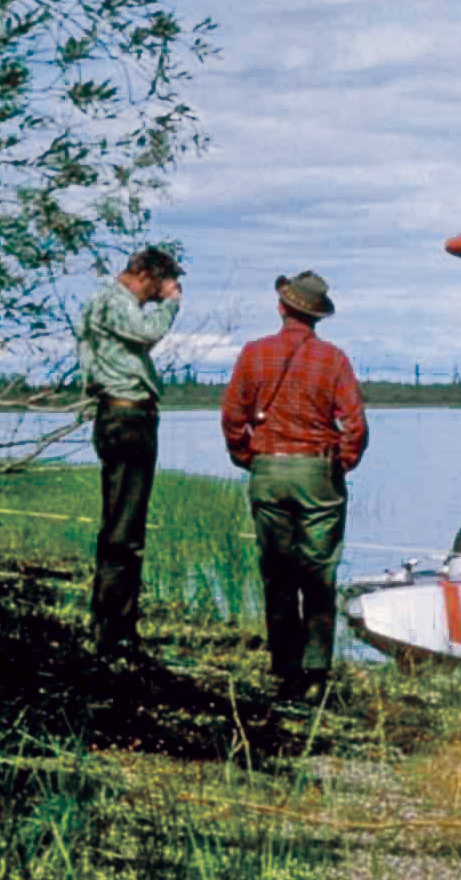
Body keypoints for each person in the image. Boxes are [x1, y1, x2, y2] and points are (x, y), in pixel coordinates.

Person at [220, 271, 369, 695]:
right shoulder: (333, 358)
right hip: (317, 471)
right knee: (319, 574)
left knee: (278, 576)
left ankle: (286, 672)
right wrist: (339, 463)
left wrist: (249, 458)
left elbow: (233, 417)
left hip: (268, 470)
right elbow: (355, 424)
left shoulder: (253, 354)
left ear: (282, 307)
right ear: (317, 315)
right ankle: (317, 672)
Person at [77, 245, 183, 657]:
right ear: (146, 275)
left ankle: (113, 624)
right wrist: (170, 306)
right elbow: (147, 332)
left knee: (121, 525)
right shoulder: (114, 300)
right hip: (127, 419)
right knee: (124, 530)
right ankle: (113, 633)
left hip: (119, 416)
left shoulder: (101, 303)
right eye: (162, 284)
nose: (162, 293)